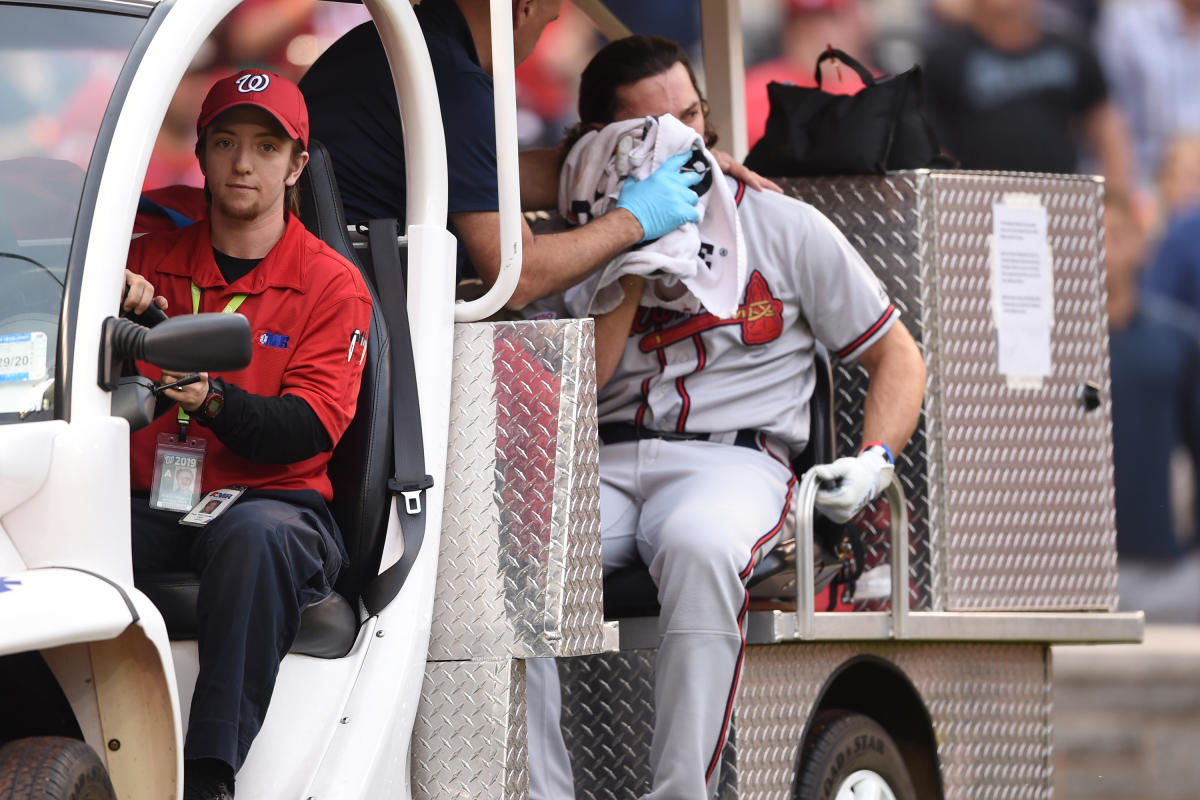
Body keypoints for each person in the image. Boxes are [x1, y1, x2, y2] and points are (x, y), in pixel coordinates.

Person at [528, 35, 926, 800]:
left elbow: (898, 357)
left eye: (694, 124)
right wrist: (636, 245)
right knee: (521, 557)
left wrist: (875, 459)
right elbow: (583, 383)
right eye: (657, 136)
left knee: (700, 543)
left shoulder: (781, 223)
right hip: (604, 456)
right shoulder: (579, 238)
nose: (688, 152)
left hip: (733, 459)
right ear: (602, 147)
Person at [121, 69, 372, 800]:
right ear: (199, 152)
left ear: (297, 165)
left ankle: (208, 776)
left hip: (275, 503)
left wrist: (210, 399)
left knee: (255, 538)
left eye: (266, 147)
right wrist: (111, 295)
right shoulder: (140, 262)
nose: (242, 163)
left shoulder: (332, 284)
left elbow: (306, 427)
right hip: (150, 502)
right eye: (226, 141)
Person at [300, 0, 773, 309]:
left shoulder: (404, 49)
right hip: (355, 309)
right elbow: (516, 272)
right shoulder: (455, 82)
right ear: (523, 7)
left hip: (328, 289)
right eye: (548, 22)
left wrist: (669, 159)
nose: (541, 38)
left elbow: (487, 178)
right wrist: (635, 218)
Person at [922, 0, 1132, 199]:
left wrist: (1114, 198)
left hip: (1061, 198)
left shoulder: (1071, 49)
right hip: (979, 202)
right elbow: (933, 145)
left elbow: (1106, 126)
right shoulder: (946, 58)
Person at [1103, 194, 1200, 623]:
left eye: (1116, 236)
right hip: (1072, 575)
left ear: (1141, 243)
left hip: (1165, 572)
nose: (1105, 250)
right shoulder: (1041, 352)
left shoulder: (1179, 341)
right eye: (1092, 236)